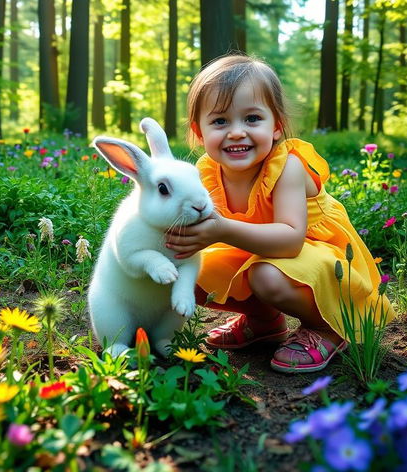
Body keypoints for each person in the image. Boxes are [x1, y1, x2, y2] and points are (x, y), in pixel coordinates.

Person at [164, 53, 394, 373]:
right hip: (263, 253)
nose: (236, 132)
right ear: (199, 133)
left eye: (252, 118)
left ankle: (326, 327)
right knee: (190, 271)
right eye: (220, 121)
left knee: (265, 275)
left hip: (324, 258)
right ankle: (263, 322)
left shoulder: (287, 166)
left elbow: (290, 241)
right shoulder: (206, 171)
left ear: (277, 126)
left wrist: (219, 229)